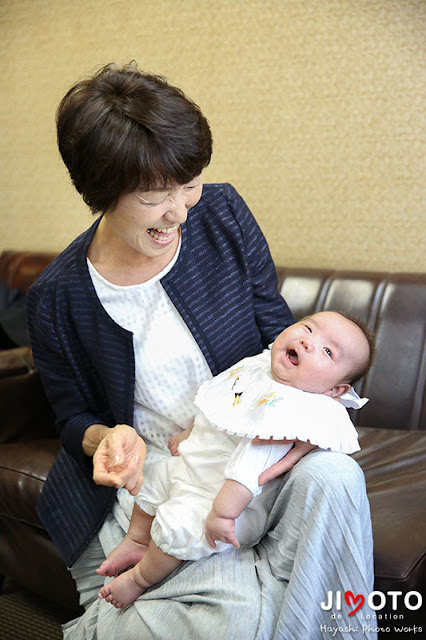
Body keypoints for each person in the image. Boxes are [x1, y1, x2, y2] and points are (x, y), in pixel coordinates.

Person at [26, 63, 377, 639]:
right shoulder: (58, 297)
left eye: (188, 185)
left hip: (250, 449)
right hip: (164, 474)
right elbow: (73, 419)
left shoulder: (223, 215)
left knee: (336, 479)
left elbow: (278, 330)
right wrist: (106, 438)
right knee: (235, 615)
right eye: (155, 196)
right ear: (100, 191)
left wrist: (286, 437)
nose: (180, 211)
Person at [98, 311, 373, 609]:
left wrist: (222, 514)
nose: (308, 342)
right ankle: (137, 541)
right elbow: (222, 408)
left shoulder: (288, 414)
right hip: (191, 469)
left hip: (221, 498)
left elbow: (248, 470)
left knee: (179, 526)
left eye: (327, 351)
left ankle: (139, 579)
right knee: (153, 479)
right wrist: (190, 433)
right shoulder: (259, 368)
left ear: (334, 391)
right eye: (308, 328)